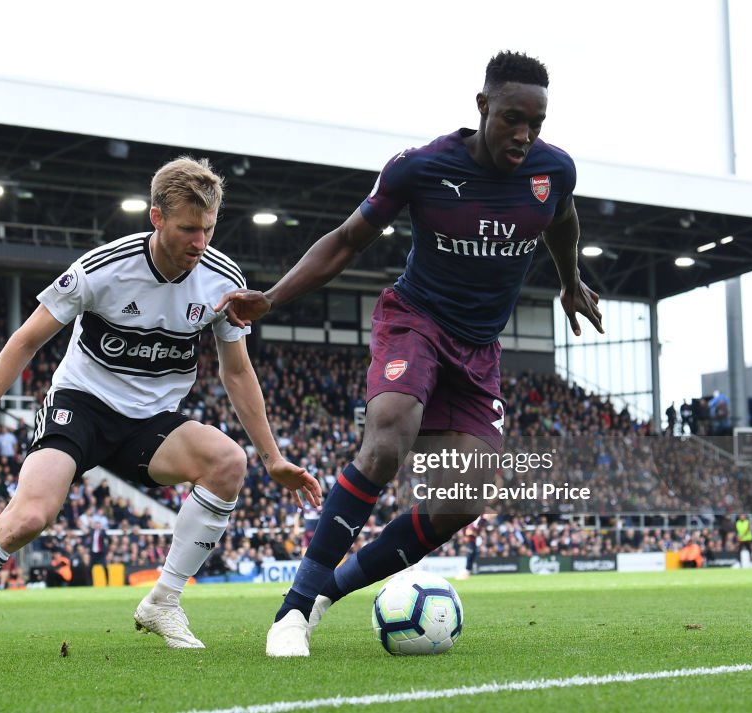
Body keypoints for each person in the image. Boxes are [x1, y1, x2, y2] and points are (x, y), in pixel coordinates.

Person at [218, 51, 603, 656]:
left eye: (536, 121)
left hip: (479, 349)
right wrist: (271, 298)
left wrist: (570, 279)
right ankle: (292, 611)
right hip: (415, 321)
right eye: (512, 119)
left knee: (463, 499)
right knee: (388, 439)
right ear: (482, 108)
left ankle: (326, 594)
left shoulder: (554, 171)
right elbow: (346, 241)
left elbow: (563, 219)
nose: (524, 134)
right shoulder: (421, 168)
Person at [0, 157, 321, 661]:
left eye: (209, 229)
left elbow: (236, 371)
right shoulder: (103, 268)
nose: (200, 242)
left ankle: (163, 601)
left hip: (151, 422)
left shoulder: (222, 279)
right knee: (31, 515)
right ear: (156, 217)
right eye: (188, 229)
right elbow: (26, 341)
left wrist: (272, 457)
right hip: (81, 405)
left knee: (228, 462)